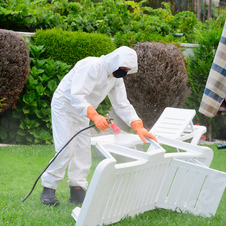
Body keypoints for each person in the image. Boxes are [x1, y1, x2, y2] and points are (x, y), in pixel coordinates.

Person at [40, 46, 157, 206]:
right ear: (115, 61)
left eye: (127, 70)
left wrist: (137, 125)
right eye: (123, 68)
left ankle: (77, 190)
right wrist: (95, 116)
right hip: (65, 107)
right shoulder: (92, 65)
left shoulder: (115, 78)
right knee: (66, 148)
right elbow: (77, 95)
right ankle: (48, 188)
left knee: (83, 150)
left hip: (83, 112)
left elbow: (122, 104)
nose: (124, 72)